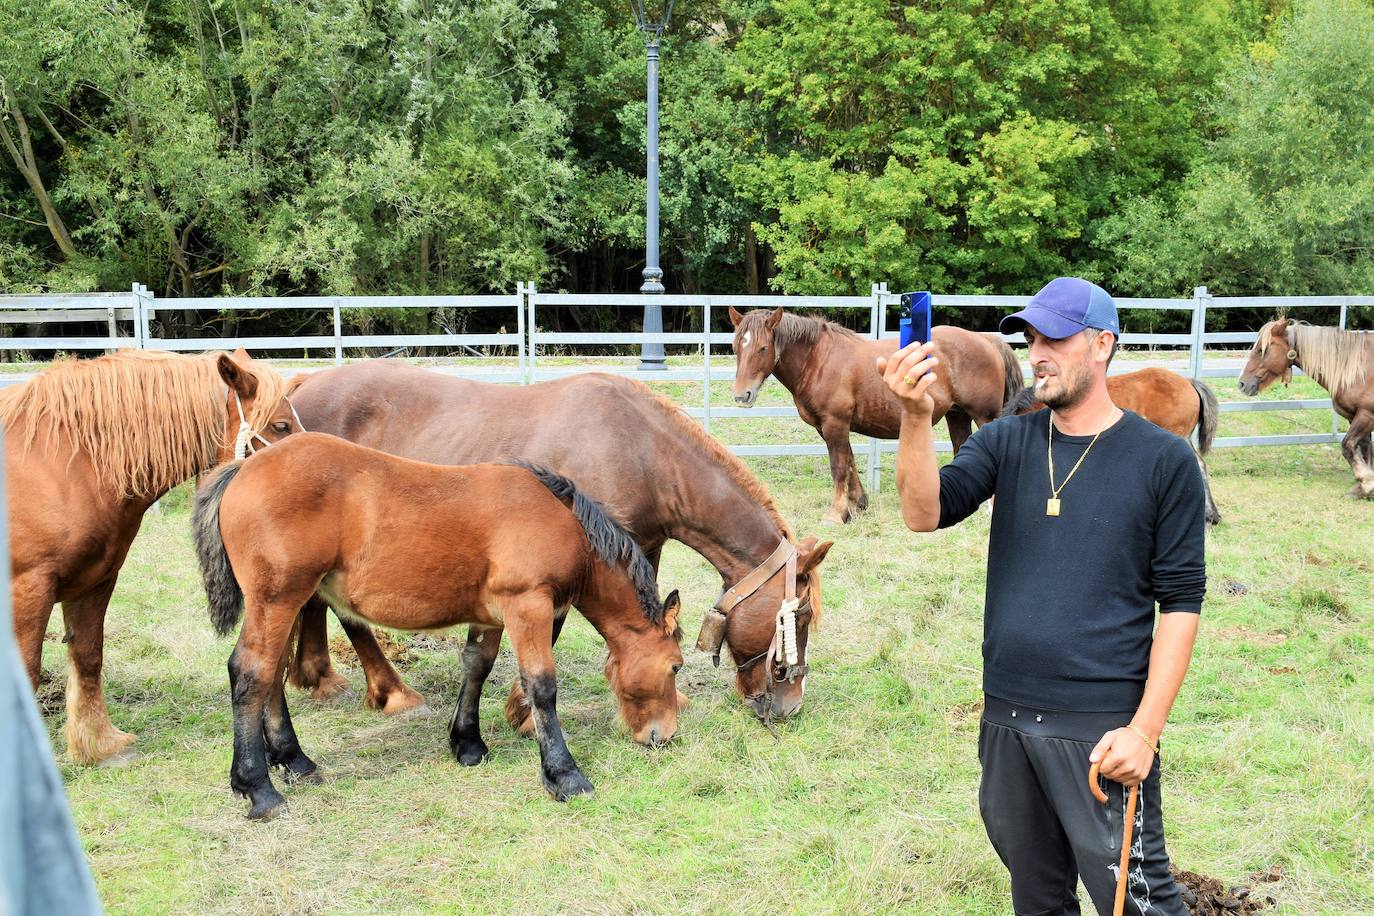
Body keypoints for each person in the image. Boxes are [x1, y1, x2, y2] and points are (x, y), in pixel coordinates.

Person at [879, 277, 1205, 915]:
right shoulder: (1006, 442)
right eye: (1031, 337)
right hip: (1006, 721)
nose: (1037, 352)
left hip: (1101, 730)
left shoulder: (1163, 461)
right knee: (1038, 901)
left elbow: (1182, 605)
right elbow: (922, 513)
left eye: (1055, 337)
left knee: (1139, 901)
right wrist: (916, 419)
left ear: (1103, 345)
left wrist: (1144, 731)